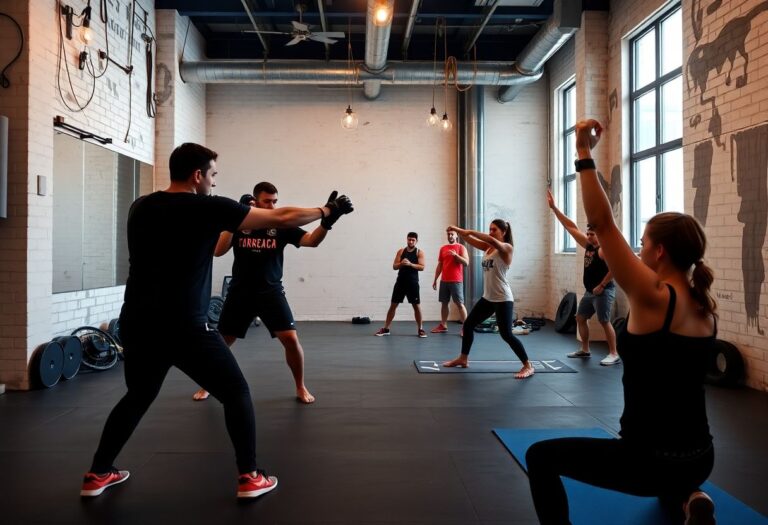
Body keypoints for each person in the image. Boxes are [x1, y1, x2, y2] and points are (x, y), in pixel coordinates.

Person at [80, 143, 353, 499]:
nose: (213, 181)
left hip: (136, 321)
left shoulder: (140, 206)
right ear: (197, 176)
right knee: (237, 392)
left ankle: (97, 473)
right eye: (211, 175)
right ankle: (250, 477)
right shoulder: (208, 208)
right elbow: (281, 218)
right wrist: (326, 209)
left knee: (138, 395)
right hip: (183, 326)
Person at [526, 120, 718, 525]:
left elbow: (602, 221)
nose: (639, 247)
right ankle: (692, 496)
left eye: (644, 242)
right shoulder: (705, 306)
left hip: (647, 460)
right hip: (700, 456)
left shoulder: (653, 296)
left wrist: (582, 150)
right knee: (671, 493)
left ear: (660, 251)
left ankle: (682, 493)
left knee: (540, 457)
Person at [192, 182, 344, 404]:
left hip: (270, 292)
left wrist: (327, 224)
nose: (272, 206)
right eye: (267, 201)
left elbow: (311, 241)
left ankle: (300, 386)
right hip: (240, 292)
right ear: (255, 201)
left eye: (275, 201)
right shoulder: (242, 222)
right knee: (223, 342)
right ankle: (207, 384)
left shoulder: (281, 225)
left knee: (291, 339)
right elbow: (217, 251)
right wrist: (233, 221)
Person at [441, 221, 535, 379]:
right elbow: (470, 239)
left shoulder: (506, 248)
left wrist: (460, 229)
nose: (491, 232)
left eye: (494, 229)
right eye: (489, 229)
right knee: (469, 324)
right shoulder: (488, 248)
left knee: (506, 335)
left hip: (503, 298)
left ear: (503, 232)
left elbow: (489, 240)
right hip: (488, 297)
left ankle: (528, 365)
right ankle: (463, 358)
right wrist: (461, 234)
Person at [547, 190, 620, 365]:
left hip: (603, 291)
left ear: (599, 235)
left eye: (592, 234)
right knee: (580, 318)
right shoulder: (588, 245)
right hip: (590, 291)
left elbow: (615, 270)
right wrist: (555, 208)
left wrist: (602, 285)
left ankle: (614, 353)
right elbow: (571, 227)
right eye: (588, 234)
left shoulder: (603, 250)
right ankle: (585, 350)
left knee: (604, 321)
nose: (588, 236)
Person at [374, 232, 427, 338]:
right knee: (393, 305)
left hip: (412, 283)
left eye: (413, 240)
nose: (411, 241)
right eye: (409, 239)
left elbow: (422, 267)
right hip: (400, 282)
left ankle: (420, 329)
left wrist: (410, 264)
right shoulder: (401, 251)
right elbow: (394, 266)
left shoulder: (419, 252)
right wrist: (401, 263)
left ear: (416, 241)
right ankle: (386, 328)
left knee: (416, 306)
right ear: (406, 240)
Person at [431, 228, 469, 334]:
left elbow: (466, 263)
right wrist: (435, 279)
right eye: (448, 234)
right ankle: (443, 325)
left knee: (460, 304)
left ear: (456, 235)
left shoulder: (461, 247)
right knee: (444, 303)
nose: (450, 236)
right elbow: (440, 265)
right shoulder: (443, 248)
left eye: (452, 234)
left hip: (456, 280)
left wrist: (456, 256)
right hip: (444, 280)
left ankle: (466, 328)